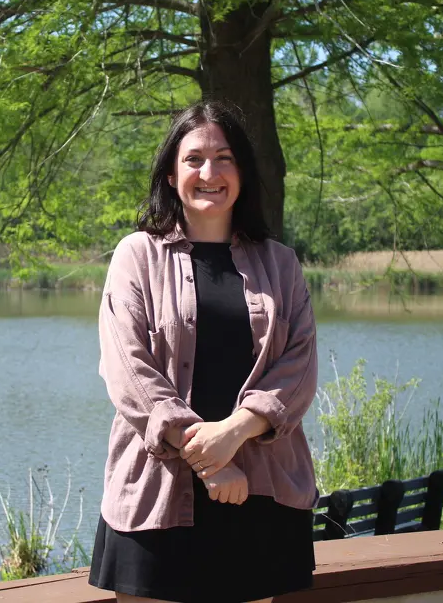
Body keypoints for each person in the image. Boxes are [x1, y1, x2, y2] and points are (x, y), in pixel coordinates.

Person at [88, 101, 319, 603]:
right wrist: (212, 462)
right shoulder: (136, 255)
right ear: (172, 175)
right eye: (193, 159)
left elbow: (299, 370)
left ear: (243, 174)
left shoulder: (281, 264)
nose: (208, 172)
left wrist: (235, 432)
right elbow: (127, 369)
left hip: (260, 497)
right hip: (158, 496)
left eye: (224, 158)